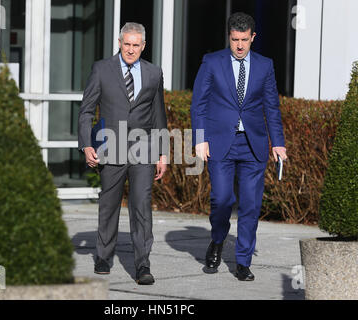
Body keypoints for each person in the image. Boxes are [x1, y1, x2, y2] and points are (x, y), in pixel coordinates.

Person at [190, 12, 287, 281]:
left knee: (251, 205)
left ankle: (243, 261)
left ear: (253, 37)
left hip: (253, 144)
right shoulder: (212, 62)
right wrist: (199, 139)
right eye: (235, 40)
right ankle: (217, 241)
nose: (240, 46)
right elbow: (198, 103)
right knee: (221, 200)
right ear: (229, 37)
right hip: (220, 142)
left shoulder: (265, 66)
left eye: (245, 40)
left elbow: (272, 107)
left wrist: (278, 143)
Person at [78, 22, 167, 285]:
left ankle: (142, 264)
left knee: (141, 206)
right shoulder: (102, 69)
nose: (130, 49)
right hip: (110, 147)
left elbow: (159, 114)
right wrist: (87, 145)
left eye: (135, 45)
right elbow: (86, 110)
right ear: (119, 43)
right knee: (109, 204)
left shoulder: (153, 73)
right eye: (126, 44)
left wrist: (162, 152)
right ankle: (104, 256)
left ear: (143, 46)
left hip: (144, 150)